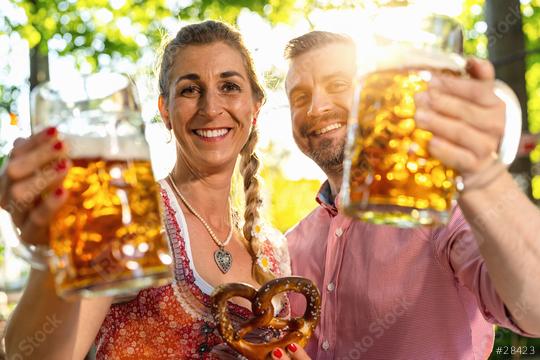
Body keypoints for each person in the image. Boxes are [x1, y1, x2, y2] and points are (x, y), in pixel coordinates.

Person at [2, 20, 305, 360]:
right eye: (190, 90)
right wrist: (50, 256)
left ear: (255, 108)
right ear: (165, 111)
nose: (210, 108)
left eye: (229, 86)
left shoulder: (272, 248)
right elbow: (31, 355)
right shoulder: (132, 218)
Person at [282, 31, 540, 359]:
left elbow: (534, 307)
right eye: (300, 97)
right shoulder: (290, 245)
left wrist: (482, 173)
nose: (317, 108)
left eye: (338, 85)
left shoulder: (443, 210)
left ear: (379, 94)